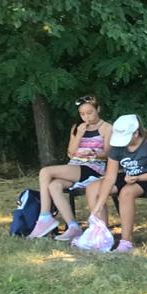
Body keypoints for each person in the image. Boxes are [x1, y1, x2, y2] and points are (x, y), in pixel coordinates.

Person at [28, 96, 113, 241]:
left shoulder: (106, 128)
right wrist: (79, 134)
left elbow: (109, 153)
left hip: (93, 168)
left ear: (98, 109)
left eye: (90, 113)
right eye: (82, 114)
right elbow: (71, 152)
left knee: (45, 171)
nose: (86, 117)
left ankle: (45, 216)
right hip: (75, 166)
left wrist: (93, 152)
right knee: (54, 185)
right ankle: (73, 226)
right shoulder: (77, 128)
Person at [83, 114, 147, 253]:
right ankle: (101, 234)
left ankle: (126, 241)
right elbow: (110, 177)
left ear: (136, 133)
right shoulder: (117, 146)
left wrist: (138, 178)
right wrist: (99, 205)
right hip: (129, 176)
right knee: (93, 188)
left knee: (126, 192)